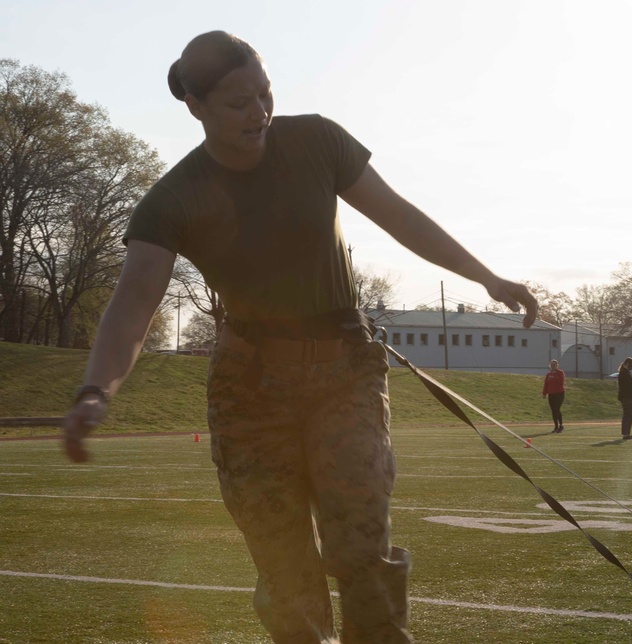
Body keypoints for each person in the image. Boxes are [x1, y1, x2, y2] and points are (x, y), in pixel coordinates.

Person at [60, 31, 537, 644]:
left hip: (346, 371)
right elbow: (133, 304)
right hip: (250, 387)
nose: (259, 112)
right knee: (283, 566)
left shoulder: (317, 141)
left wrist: (488, 278)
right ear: (196, 106)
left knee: (362, 549)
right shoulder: (172, 199)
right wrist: (95, 392)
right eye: (238, 103)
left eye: (265, 93)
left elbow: (401, 216)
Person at [617, 357, 632, 440]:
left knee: (631, 415)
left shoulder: (626, 373)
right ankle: (625, 434)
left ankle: (627, 433)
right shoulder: (624, 373)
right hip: (627, 397)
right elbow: (628, 385)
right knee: (628, 415)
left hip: (630, 397)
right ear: (627, 364)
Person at [542, 359, 566, 433]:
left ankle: (561, 425)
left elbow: (560, 381)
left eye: (554, 365)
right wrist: (544, 393)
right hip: (551, 394)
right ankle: (556, 426)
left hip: (559, 394)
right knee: (553, 410)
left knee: (556, 409)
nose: (553, 366)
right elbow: (546, 384)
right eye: (551, 365)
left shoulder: (560, 372)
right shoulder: (548, 374)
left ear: (557, 365)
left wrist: (555, 374)